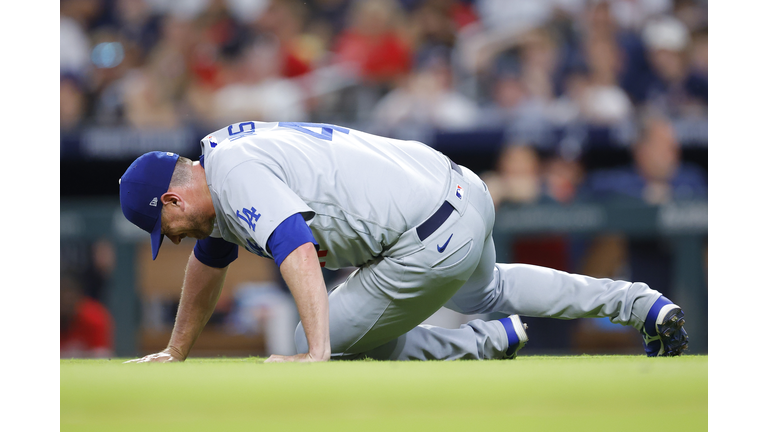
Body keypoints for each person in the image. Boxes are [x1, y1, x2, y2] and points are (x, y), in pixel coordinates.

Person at [120, 120, 688, 363]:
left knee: (318, 334)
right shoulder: (225, 161)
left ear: (171, 201)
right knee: (485, 293)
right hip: (463, 189)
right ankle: (639, 303)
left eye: (160, 229)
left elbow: (293, 245)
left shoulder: (232, 174)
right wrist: (176, 349)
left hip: (427, 236)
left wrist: (315, 351)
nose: (166, 241)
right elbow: (208, 261)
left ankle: (478, 346)